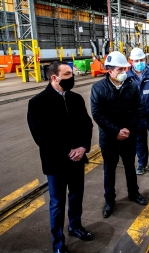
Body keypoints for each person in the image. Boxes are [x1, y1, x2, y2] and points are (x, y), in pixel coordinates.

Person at [27, 61, 94, 253]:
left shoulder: (76, 99)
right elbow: (41, 138)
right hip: (56, 163)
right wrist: (68, 152)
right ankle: (58, 244)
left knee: (76, 197)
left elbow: (86, 125)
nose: (71, 77)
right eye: (67, 75)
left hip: (77, 159)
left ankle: (75, 226)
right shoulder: (37, 103)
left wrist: (82, 147)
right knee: (57, 204)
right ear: (54, 78)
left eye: (71, 74)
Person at [90, 51, 147, 219]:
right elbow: (97, 114)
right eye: (120, 69)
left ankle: (134, 193)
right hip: (109, 138)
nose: (124, 72)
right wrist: (115, 131)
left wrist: (128, 129)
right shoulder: (98, 88)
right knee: (109, 169)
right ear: (110, 71)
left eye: (125, 69)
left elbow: (139, 109)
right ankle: (109, 201)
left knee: (130, 166)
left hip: (129, 135)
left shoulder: (132, 86)